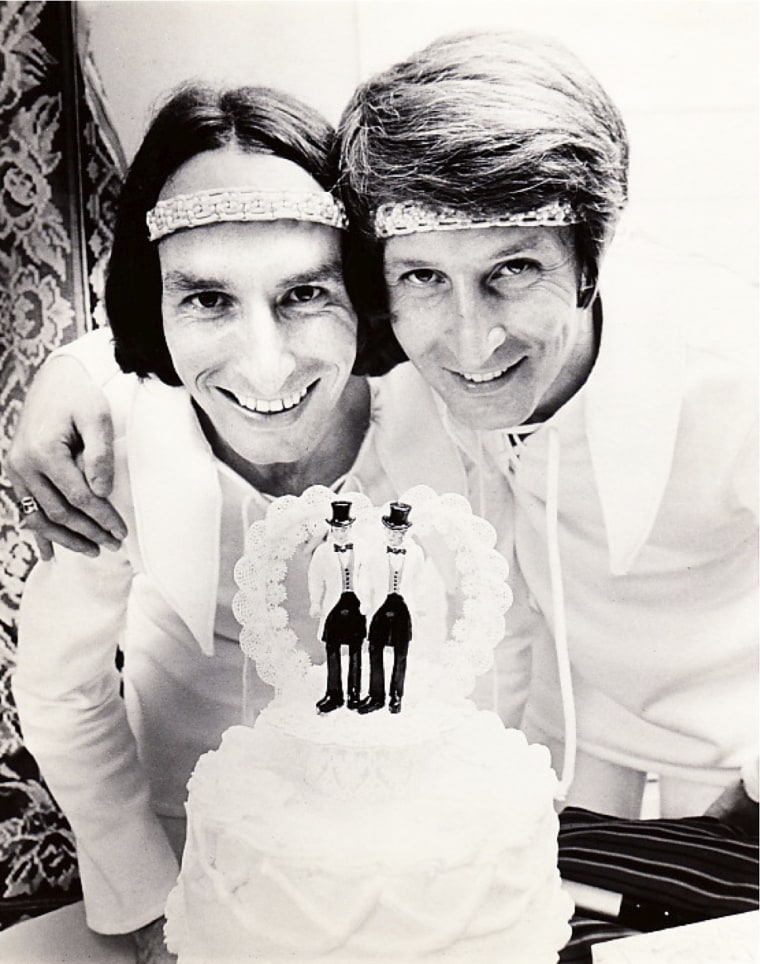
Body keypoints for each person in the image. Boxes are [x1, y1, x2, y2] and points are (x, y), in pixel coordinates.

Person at [9, 32, 757, 820]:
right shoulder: (121, 438)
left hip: (704, 777)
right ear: (385, 288)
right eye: (424, 277)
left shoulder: (718, 365)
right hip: (209, 834)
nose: (471, 346)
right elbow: (240, 293)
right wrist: (75, 370)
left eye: (514, 270)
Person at [9, 81, 496, 962]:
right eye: (206, 300)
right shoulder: (109, 445)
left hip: (414, 868)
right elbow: (61, 692)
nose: (265, 369)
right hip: (189, 858)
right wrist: (154, 908)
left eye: (306, 295)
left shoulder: (453, 412)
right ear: (152, 303)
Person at [358, 501, 423, 715]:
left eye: (401, 533)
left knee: (400, 654)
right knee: (375, 650)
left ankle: (396, 697)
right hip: (380, 608)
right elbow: (365, 579)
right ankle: (376, 696)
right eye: (393, 532)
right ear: (386, 530)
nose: (397, 537)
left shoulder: (415, 554)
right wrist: (366, 602)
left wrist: (418, 605)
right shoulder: (374, 554)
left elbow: (417, 582)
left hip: (403, 608)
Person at [308, 499, 367, 713]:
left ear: (350, 527)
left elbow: (368, 574)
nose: (341, 533)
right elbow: (315, 578)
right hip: (334, 605)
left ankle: (354, 695)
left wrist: (368, 601)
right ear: (331, 528)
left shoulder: (362, 548)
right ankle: (334, 695)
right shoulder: (323, 552)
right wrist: (315, 602)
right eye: (336, 529)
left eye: (344, 529)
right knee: (332, 650)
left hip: (356, 604)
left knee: (355, 651)